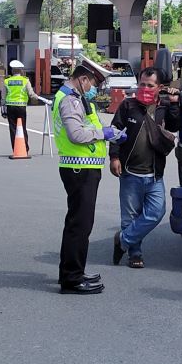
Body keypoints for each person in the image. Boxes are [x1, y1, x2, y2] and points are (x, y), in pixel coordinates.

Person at [52, 57, 124, 294]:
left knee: (78, 223)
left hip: (82, 168)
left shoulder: (76, 99)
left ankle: (74, 271)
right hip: (79, 169)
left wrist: (107, 133)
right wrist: (103, 133)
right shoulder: (70, 101)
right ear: (82, 79)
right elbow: (75, 135)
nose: (94, 88)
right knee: (79, 225)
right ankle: (72, 279)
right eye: (93, 82)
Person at [109, 66, 180, 268]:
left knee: (156, 212)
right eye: (142, 84)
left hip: (154, 174)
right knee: (129, 216)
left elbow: (175, 126)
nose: (145, 88)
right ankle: (135, 254)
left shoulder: (163, 107)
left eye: (150, 85)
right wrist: (114, 157)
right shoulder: (128, 106)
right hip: (130, 172)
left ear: (159, 87)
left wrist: (174, 104)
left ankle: (122, 240)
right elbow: (114, 131)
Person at [1, 59, 48, 154]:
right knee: (22, 127)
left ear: (12, 70)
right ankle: (25, 148)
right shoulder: (25, 81)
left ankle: (16, 149)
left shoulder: (7, 81)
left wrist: (3, 109)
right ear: (21, 71)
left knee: (13, 128)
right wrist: (42, 99)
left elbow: (3, 97)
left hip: (10, 107)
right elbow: (31, 94)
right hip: (21, 107)